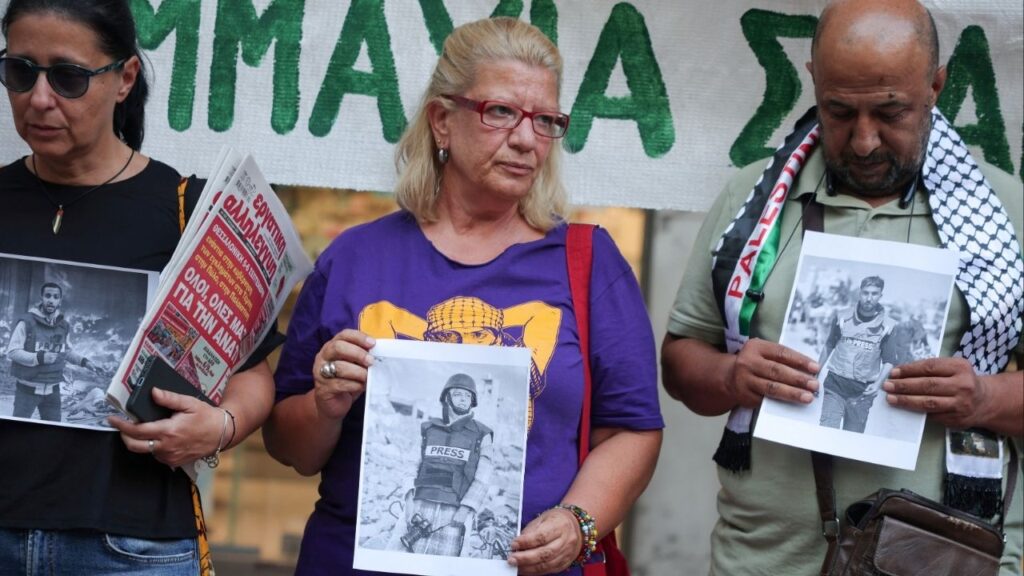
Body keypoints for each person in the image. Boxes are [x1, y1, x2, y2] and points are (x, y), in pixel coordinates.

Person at [264, 17, 663, 576]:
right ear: (441, 122)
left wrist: (579, 521)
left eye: (545, 120)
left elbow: (631, 429)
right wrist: (325, 404)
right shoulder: (355, 258)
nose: (526, 139)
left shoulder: (590, 264)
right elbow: (291, 448)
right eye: (500, 112)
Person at [661, 0, 1023, 574]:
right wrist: (731, 376)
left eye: (890, 112)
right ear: (813, 81)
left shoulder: (1005, 211)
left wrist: (985, 399)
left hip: (941, 557)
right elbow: (681, 363)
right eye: (838, 111)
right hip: (765, 558)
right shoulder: (753, 203)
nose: (863, 141)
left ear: (936, 85)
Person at [0, 1, 279, 573]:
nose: (40, 98)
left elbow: (252, 375)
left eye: (69, 76)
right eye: (20, 71)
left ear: (125, 77)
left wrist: (217, 428)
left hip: (131, 547)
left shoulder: (186, 211)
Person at [388, 373, 493, 556]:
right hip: (418, 506)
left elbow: (483, 478)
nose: (464, 399)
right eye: (459, 394)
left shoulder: (482, 435)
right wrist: (409, 500)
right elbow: (411, 466)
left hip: (455, 513)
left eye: (468, 396)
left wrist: (465, 510)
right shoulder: (428, 429)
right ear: (447, 397)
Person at [5, 282, 103, 422]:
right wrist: (39, 357)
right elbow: (13, 352)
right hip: (27, 391)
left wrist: (85, 362)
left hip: (53, 391)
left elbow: (66, 351)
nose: (51, 300)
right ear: (42, 298)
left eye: (55, 297)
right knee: (18, 431)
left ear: (60, 301)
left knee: (53, 431)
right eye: (48, 296)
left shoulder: (63, 325)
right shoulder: (26, 322)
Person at [816, 275, 897, 432]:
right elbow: (829, 345)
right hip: (835, 385)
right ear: (860, 293)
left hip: (862, 393)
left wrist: (877, 384)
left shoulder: (889, 326)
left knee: (851, 439)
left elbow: (889, 361)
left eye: (874, 294)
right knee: (825, 433)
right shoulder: (842, 317)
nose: (869, 298)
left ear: (880, 296)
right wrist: (815, 372)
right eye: (865, 293)